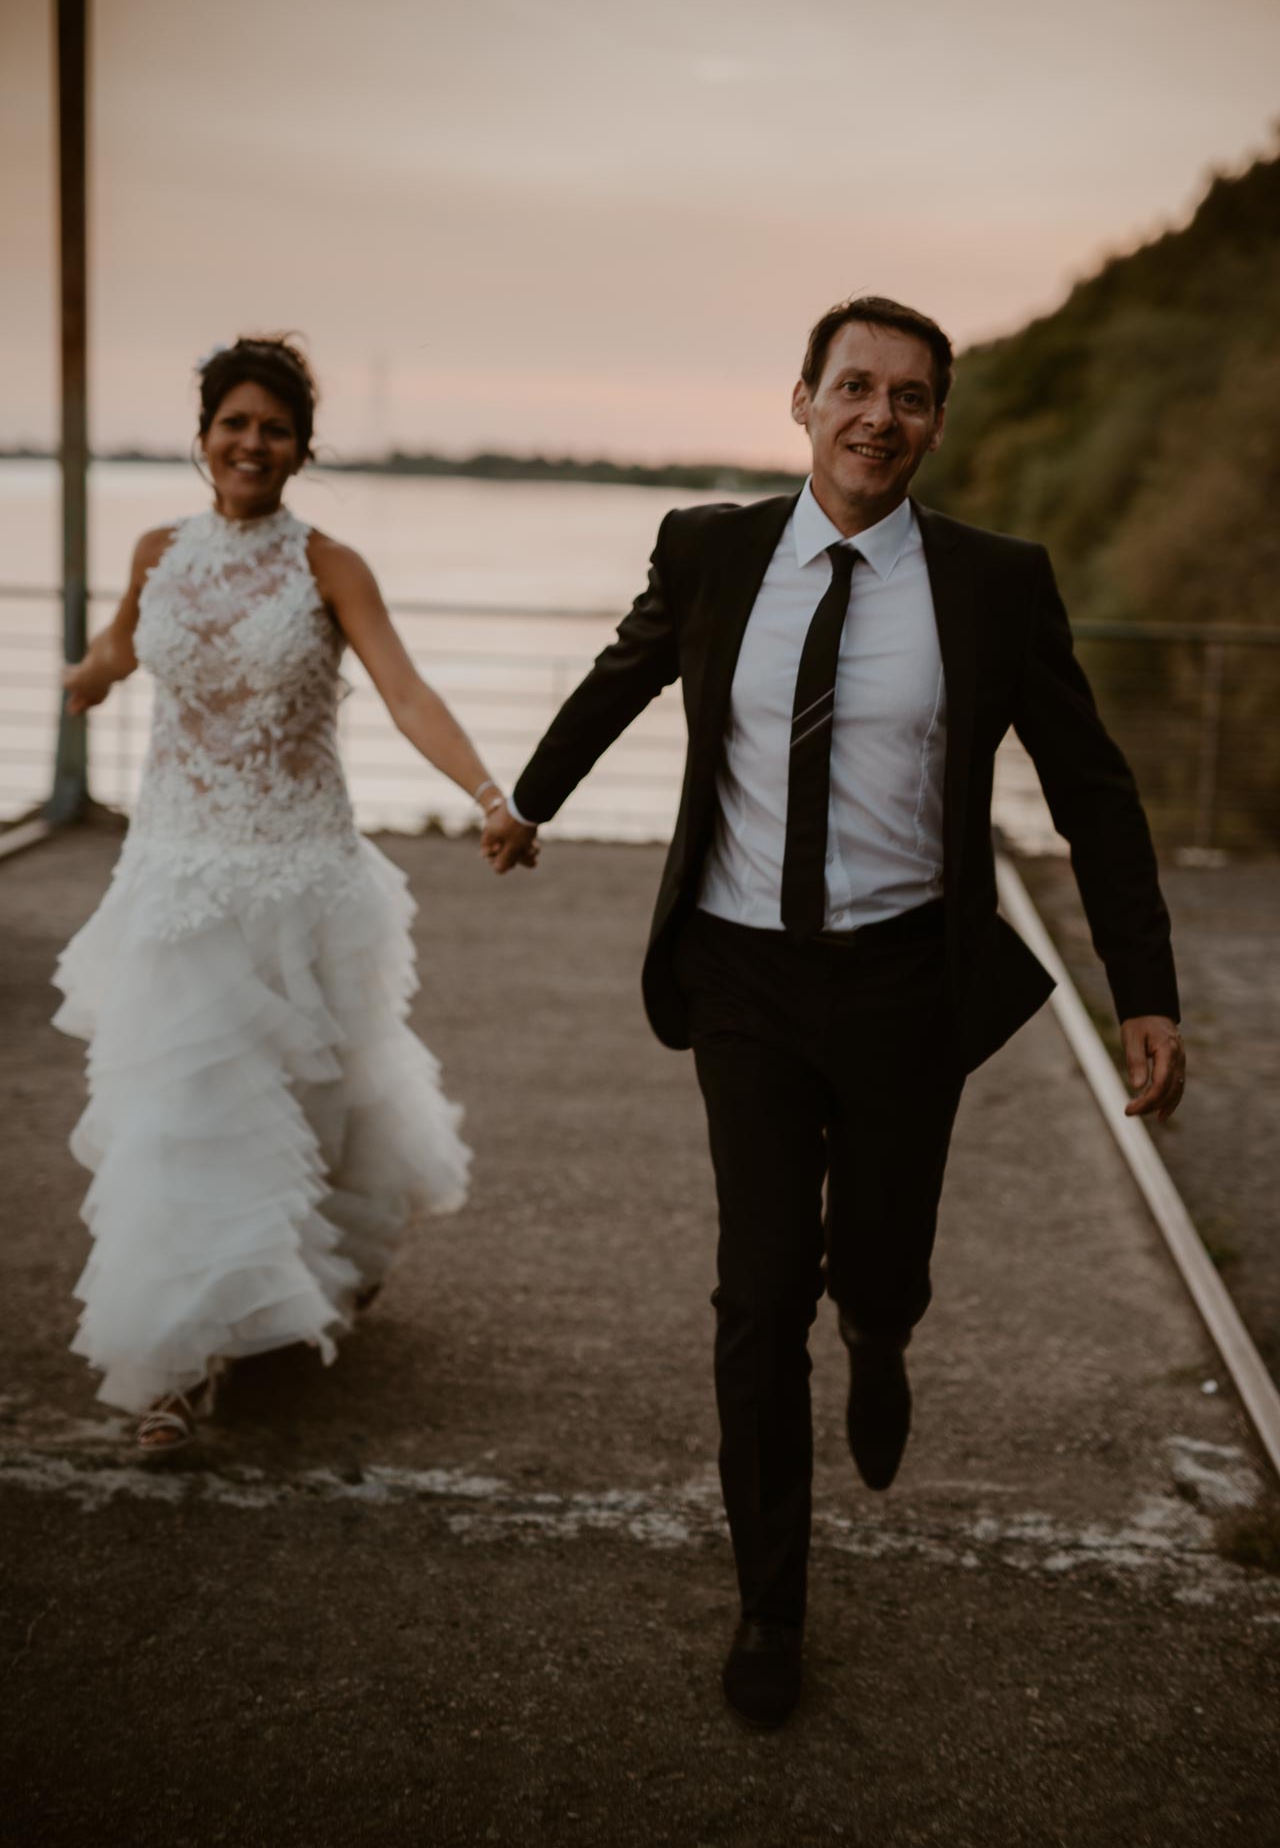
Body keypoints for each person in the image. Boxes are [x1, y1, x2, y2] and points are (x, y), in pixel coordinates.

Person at [482, 295, 1186, 1729]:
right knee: (754, 1296)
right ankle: (771, 1608)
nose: (880, 416)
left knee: (878, 1252)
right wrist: (529, 802)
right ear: (800, 401)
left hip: (904, 979)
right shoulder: (711, 550)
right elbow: (627, 675)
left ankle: (882, 1328)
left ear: (936, 423)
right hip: (741, 971)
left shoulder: (993, 583)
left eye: (911, 397)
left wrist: (1147, 991)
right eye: (853, 387)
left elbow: (1093, 789)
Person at [55, 334, 530, 1454]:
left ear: (301, 448)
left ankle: (282, 1287)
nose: (251, 443)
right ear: (203, 435)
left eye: (274, 427)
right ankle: (167, 1368)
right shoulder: (156, 547)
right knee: (180, 1120)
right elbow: (125, 645)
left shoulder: (329, 565)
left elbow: (404, 689)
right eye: (234, 422)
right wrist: (83, 677)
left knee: (305, 1111)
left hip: (298, 874)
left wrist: (486, 789)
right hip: (174, 878)